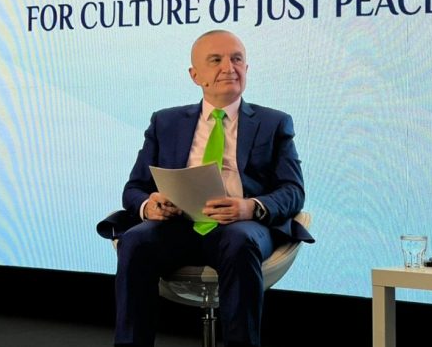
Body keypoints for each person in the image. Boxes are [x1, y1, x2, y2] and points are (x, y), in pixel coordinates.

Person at [97, 29, 313, 347]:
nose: (229, 67)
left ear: (246, 68)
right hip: (178, 225)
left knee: (239, 241)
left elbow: (293, 190)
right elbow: (134, 188)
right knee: (135, 241)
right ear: (195, 75)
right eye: (216, 60)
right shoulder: (165, 122)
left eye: (236, 59)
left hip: (241, 226)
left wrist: (250, 207)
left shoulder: (274, 123)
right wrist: (149, 205)